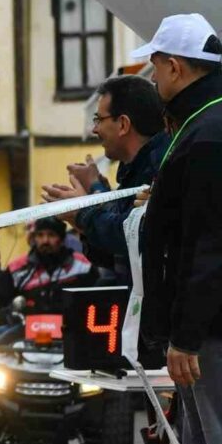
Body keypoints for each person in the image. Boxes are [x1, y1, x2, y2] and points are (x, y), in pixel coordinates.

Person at [133, 13, 222, 444]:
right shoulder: (207, 123)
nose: (153, 84)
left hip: (214, 332)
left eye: (155, 71)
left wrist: (186, 335)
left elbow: (213, 245)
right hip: (205, 329)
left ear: (174, 67)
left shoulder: (212, 133)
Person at [42, 74, 168, 285]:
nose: (94, 129)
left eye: (99, 119)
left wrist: (84, 207)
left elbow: (130, 235)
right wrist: (78, 220)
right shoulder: (134, 171)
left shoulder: (160, 168)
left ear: (123, 124)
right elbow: (114, 256)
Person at [0, 217, 96, 347]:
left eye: (51, 235)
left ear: (62, 238)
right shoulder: (17, 269)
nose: (45, 240)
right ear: (34, 238)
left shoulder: (83, 266)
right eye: (40, 235)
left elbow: (98, 297)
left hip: (72, 329)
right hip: (26, 329)